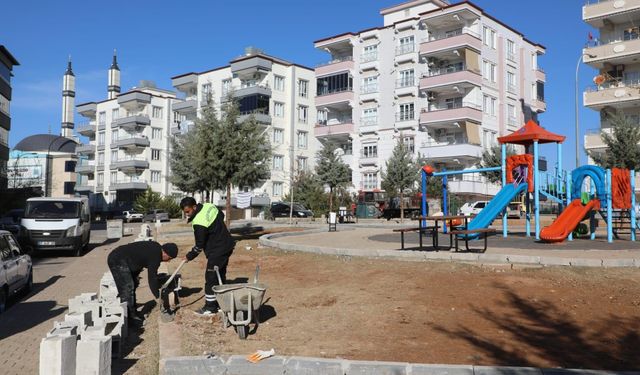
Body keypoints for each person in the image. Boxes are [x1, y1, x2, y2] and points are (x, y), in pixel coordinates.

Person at [180, 196, 235, 316]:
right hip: (228, 244)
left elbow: (199, 245)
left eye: (188, 212)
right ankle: (221, 304)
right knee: (220, 274)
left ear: (194, 207)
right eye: (185, 213)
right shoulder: (209, 206)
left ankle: (210, 307)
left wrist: (189, 256)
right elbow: (221, 215)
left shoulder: (199, 222)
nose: (187, 215)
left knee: (211, 277)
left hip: (218, 250)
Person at [107, 241, 179, 322]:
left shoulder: (156, 248)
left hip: (125, 260)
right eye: (169, 258)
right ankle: (130, 318)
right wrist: (158, 296)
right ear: (165, 253)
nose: (168, 261)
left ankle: (130, 310)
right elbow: (152, 279)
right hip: (117, 259)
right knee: (127, 287)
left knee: (133, 283)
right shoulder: (155, 256)